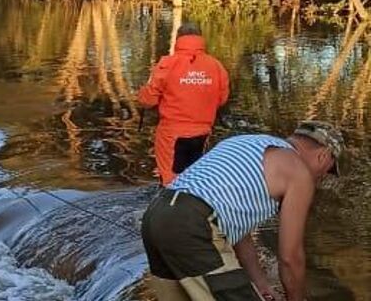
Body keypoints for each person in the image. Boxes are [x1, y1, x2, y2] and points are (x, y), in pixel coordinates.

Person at [141, 121, 343, 301]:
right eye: (329, 169)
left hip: (156, 215)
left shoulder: (247, 144)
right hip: (193, 223)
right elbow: (291, 257)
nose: (323, 177)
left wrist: (261, 284)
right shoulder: (298, 172)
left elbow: (238, 231)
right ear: (323, 156)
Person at [137, 22, 229, 186]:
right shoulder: (216, 66)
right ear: (201, 38)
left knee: (170, 180)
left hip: (172, 135)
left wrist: (142, 92)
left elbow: (148, 100)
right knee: (195, 176)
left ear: (178, 40)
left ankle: (168, 206)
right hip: (203, 133)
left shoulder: (167, 64)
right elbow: (222, 99)